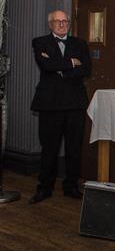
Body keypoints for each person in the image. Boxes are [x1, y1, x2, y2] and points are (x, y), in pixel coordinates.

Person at [29, 10, 91, 204]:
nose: (62, 24)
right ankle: (44, 189)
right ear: (50, 24)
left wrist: (61, 69)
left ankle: (71, 187)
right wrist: (71, 63)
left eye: (65, 21)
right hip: (50, 104)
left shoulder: (80, 44)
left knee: (74, 148)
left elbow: (86, 69)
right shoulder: (40, 42)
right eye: (58, 21)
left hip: (75, 104)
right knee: (49, 148)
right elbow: (46, 66)